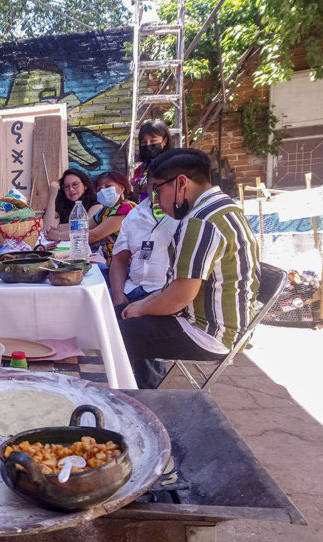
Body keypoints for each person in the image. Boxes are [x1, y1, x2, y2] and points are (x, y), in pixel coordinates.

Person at [119, 149, 260, 389]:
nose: (156, 199)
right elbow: (177, 288)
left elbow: (179, 297)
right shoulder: (226, 208)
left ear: (181, 183)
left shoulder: (200, 221)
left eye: (158, 189)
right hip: (227, 326)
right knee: (126, 316)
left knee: (116, 332)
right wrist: (144, 304)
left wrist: (141, 309)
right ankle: (142, 391)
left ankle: (133, 402)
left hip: (209, 333)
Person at [109, 189, 179, 313]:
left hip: (164, 293)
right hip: (131, 289)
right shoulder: (134, 214)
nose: (157, 193)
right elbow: (119, 260)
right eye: (154, 186)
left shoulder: (185, 216)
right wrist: (118, 295)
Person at [88, 171, 137, 267]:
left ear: (121, 188)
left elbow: (94, 235)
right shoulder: (104, 211)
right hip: (113, 265)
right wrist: (57, 230)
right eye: (99, 189)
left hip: (129, 268)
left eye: (108, 186)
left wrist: (59, 236)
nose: (102, 191)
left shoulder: (126, 208)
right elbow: (83, 226)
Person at [43, 168, 97, 242]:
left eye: (75, 185)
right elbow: (47, 230)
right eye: (67, 187)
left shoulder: (95, 204)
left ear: (85, 186)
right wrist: (52, 196)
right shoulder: (61, 205)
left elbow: (86, 228)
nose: (71, 189)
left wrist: (59, 229)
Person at [131, 119, 172, 200]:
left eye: (153, 140)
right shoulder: (142, 168)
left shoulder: (173, 165)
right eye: (144, 142)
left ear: (165, 141)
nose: (148, 145)